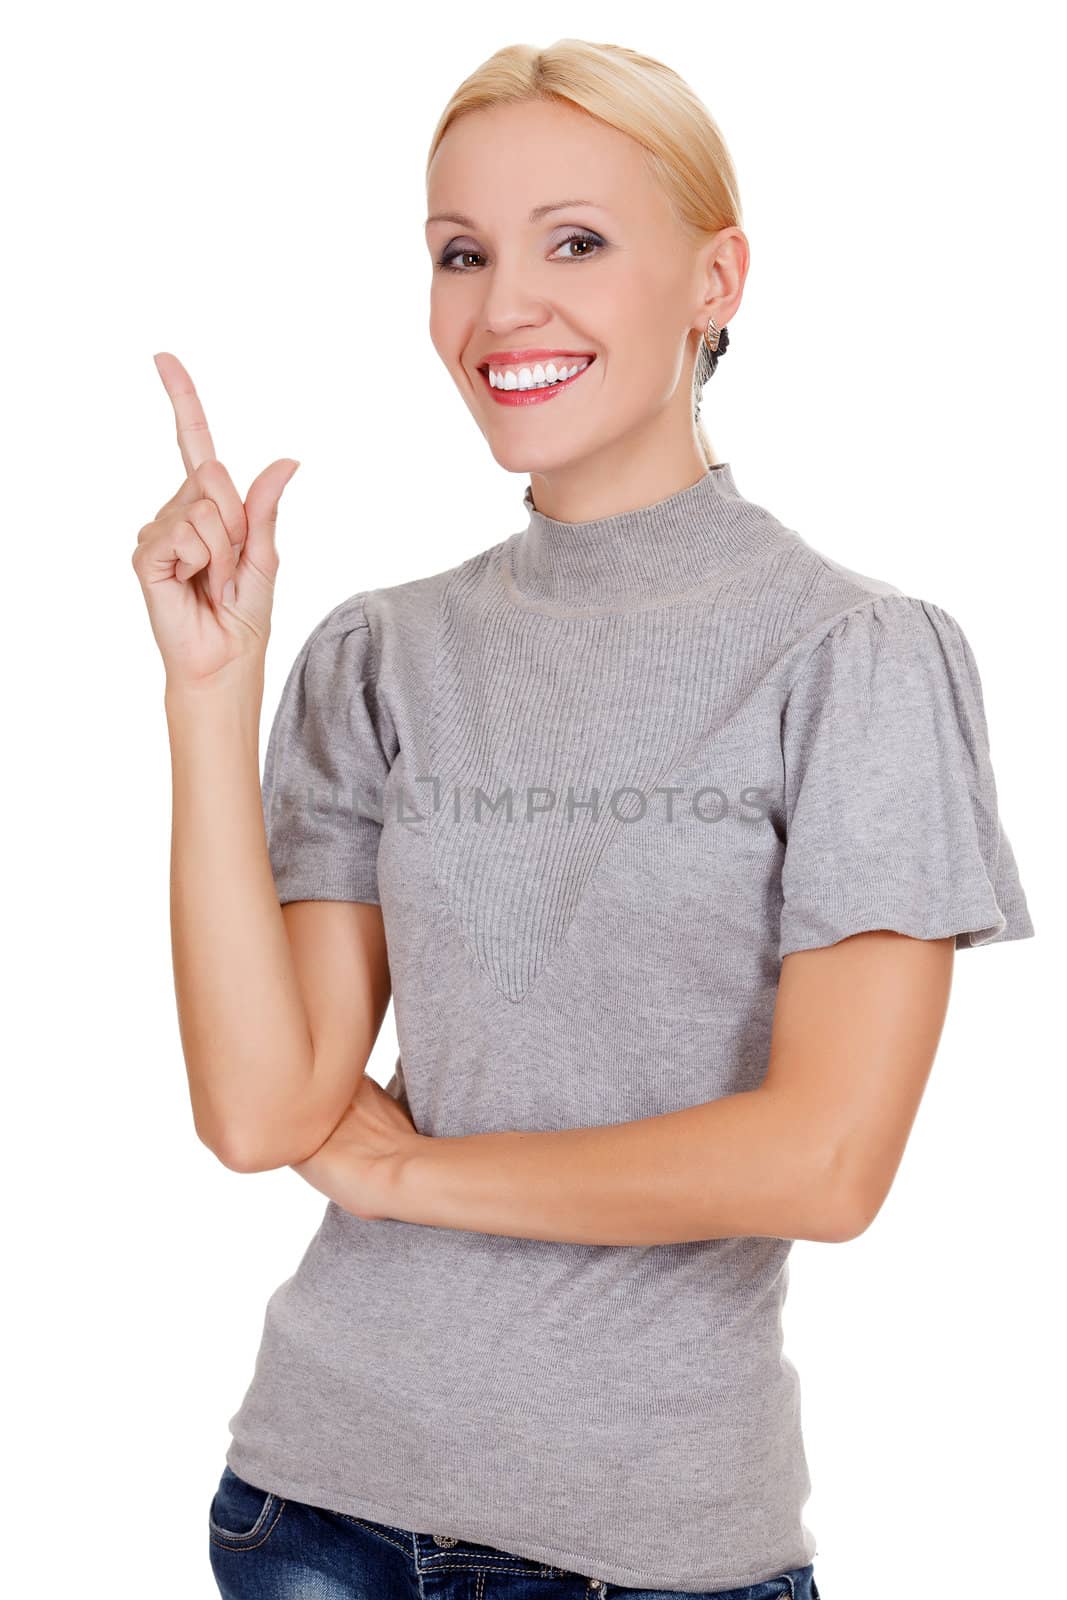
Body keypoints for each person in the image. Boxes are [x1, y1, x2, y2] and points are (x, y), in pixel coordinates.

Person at [134, 37, 1034, 1600]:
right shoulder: (377, 651)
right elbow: (263, 1114)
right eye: (460, 254)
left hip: (651, 1555)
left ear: (715, 278)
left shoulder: (856, 659)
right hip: (314, 1514)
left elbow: (825, 1164)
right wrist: (212, 693)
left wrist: (414, 1172)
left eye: (578, 242)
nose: (502, 310)